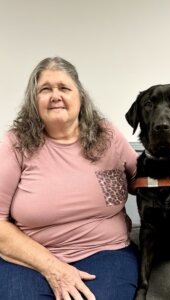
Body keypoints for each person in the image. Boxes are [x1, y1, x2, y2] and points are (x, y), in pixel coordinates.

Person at [0, 57, 139, 300]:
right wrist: (53, 267)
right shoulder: (16, 144)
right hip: (30, 258)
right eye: (45, 89)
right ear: (34, 100)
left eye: (64, 88)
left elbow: (142, 180)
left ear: (80, 96)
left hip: (107, 251)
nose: (55, 95)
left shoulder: (107, 135)